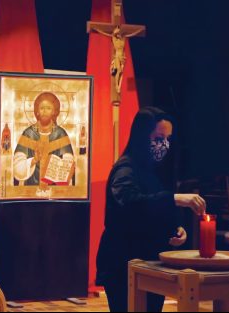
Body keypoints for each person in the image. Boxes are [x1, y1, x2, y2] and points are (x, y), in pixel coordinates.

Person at [96, 107, 206, 312]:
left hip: (150, 262)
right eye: (158, 137)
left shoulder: (152, 171)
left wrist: (174, 229)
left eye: (168, 138)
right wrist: (175, 198)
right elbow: (130, 202)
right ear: (141, 136)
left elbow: (151, 210)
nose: (164, 144)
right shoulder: (125, 168)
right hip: (123, 262)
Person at [13, 92, 74, 188]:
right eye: (42, 108)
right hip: (30, 189)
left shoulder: (60, 134)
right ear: (37, 111)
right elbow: (17, 167)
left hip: (55, 190)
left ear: (54, 111)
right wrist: (34, 160)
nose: (45, 111)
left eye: (48, 108)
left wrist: (57, 167)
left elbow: (69, 163)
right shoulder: (28, 134)